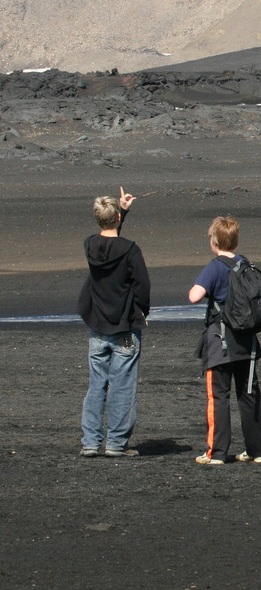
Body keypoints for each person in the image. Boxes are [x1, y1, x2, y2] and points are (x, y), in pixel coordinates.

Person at [188, 215, 261, 465]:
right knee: (248, 394)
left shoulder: (214, 266)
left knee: (218, 396)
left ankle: (217, 453)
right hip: (247, 341)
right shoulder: (246, 263)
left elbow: (194, 296)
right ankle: (257, 451)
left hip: (221, 341)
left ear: (214, 241)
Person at [77, 187, 150, 458]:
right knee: (123, 384)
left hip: (98, 323)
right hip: (123, 325)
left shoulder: (91, 245)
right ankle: (116, 443)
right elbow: (142, 286)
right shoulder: (130, 250)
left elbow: (110, 244)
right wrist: (142, 311)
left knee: (98, 382)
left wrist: (122, 212)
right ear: (115, 218)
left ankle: (91, 442)